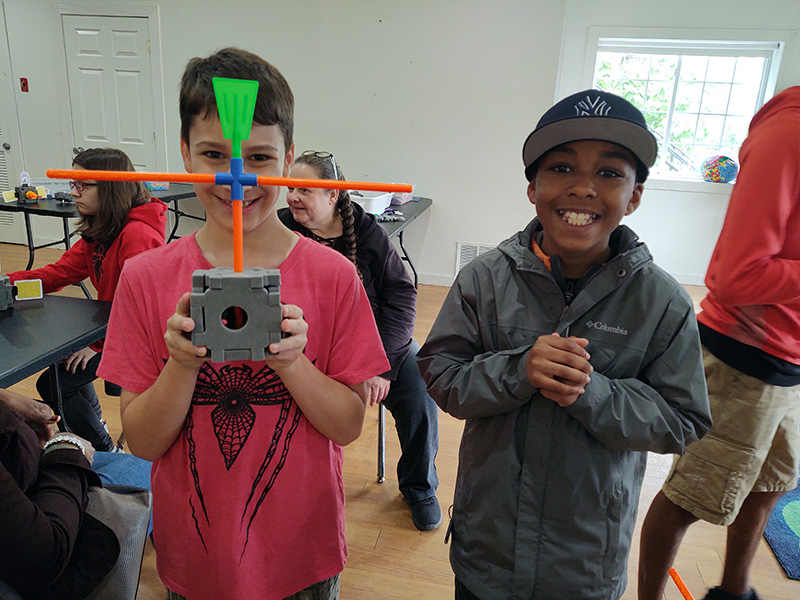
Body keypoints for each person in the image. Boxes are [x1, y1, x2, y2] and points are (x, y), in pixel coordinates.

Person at [96, 47, 389, 600]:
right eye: (214, 153)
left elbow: (348, 426)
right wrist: (181, 363)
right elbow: (143, 441)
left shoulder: (333, 277)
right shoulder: (145, 277)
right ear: (184, 153)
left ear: (288, 158)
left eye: (258, 157)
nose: (236, 177)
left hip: (302, 553)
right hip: (196, 556)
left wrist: (293, 361)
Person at [417, 89, 712, 600]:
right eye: (560, 168)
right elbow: (442, 374)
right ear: (532, 187)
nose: (582, 189)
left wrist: (592, 392)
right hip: (488, 550)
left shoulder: (662, 302)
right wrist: (517, 370)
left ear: (635, 194)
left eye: (609, 173)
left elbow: (683, 421)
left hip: (586, 562)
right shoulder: (483, 280)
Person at [638, 86, 800, 600]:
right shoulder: (790, 133)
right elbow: (736, 275)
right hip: (747, 358)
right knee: (686, 498)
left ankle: (734, 592)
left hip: (791, 358)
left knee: (769, 486)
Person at [279, 151, 441, 530]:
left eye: (305, 189)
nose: (292, 197)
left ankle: (420, 486)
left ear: (332, 195)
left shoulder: (368, 233)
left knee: (419, 386)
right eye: (290, 188)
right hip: (304, 350)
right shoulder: (281, 231)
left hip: (370, 345)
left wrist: (381, 364)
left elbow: (401, 297)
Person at [7, 147, 167, 452]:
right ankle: (97, 427)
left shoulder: (137, 235)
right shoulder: (103, 229)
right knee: (63, 368)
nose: (74, 192)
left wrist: (95, 346)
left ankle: (105, 450)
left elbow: (141, 307)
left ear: (110, 188)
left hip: (139, 338)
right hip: (110, 332)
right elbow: (58, 273)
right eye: (73, 183)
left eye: (83, 185)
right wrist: (6, 283)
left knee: (53, 384)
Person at [0, 386, 118, 599]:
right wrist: (67, 448)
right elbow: (43, 557)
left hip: (36, 484)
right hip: (45, 559)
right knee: (142, 470)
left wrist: (7, 399)